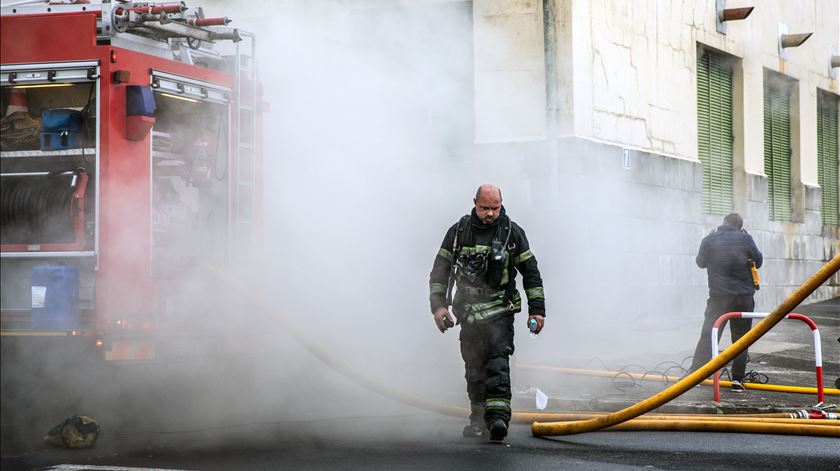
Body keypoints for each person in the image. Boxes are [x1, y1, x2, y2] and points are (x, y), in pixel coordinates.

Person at [428, 184, 546, 441]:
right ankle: (478, 419)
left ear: (501, 204)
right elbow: (440, 271)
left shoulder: (512, 234)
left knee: (498, 365)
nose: (490, 214)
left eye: (495, 208)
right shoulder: (459, 233)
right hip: (468, 314)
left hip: (500, 312)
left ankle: (498, 420)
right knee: (474, 369)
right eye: (485, 208)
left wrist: (537, 310)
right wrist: (439, 306)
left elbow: (531, 273)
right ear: (475, 203)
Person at [689, 213, 762, 392]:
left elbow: (700, 263)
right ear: (740, 226)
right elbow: (758, 262)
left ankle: (695, 377)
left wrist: (709, 240)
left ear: (723, 223)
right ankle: (737, 381)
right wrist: (746, 238)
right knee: (741, 339)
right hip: (743, 297)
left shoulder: (709, 239)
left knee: (709, 336)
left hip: (719, 298)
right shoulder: (746, 239)